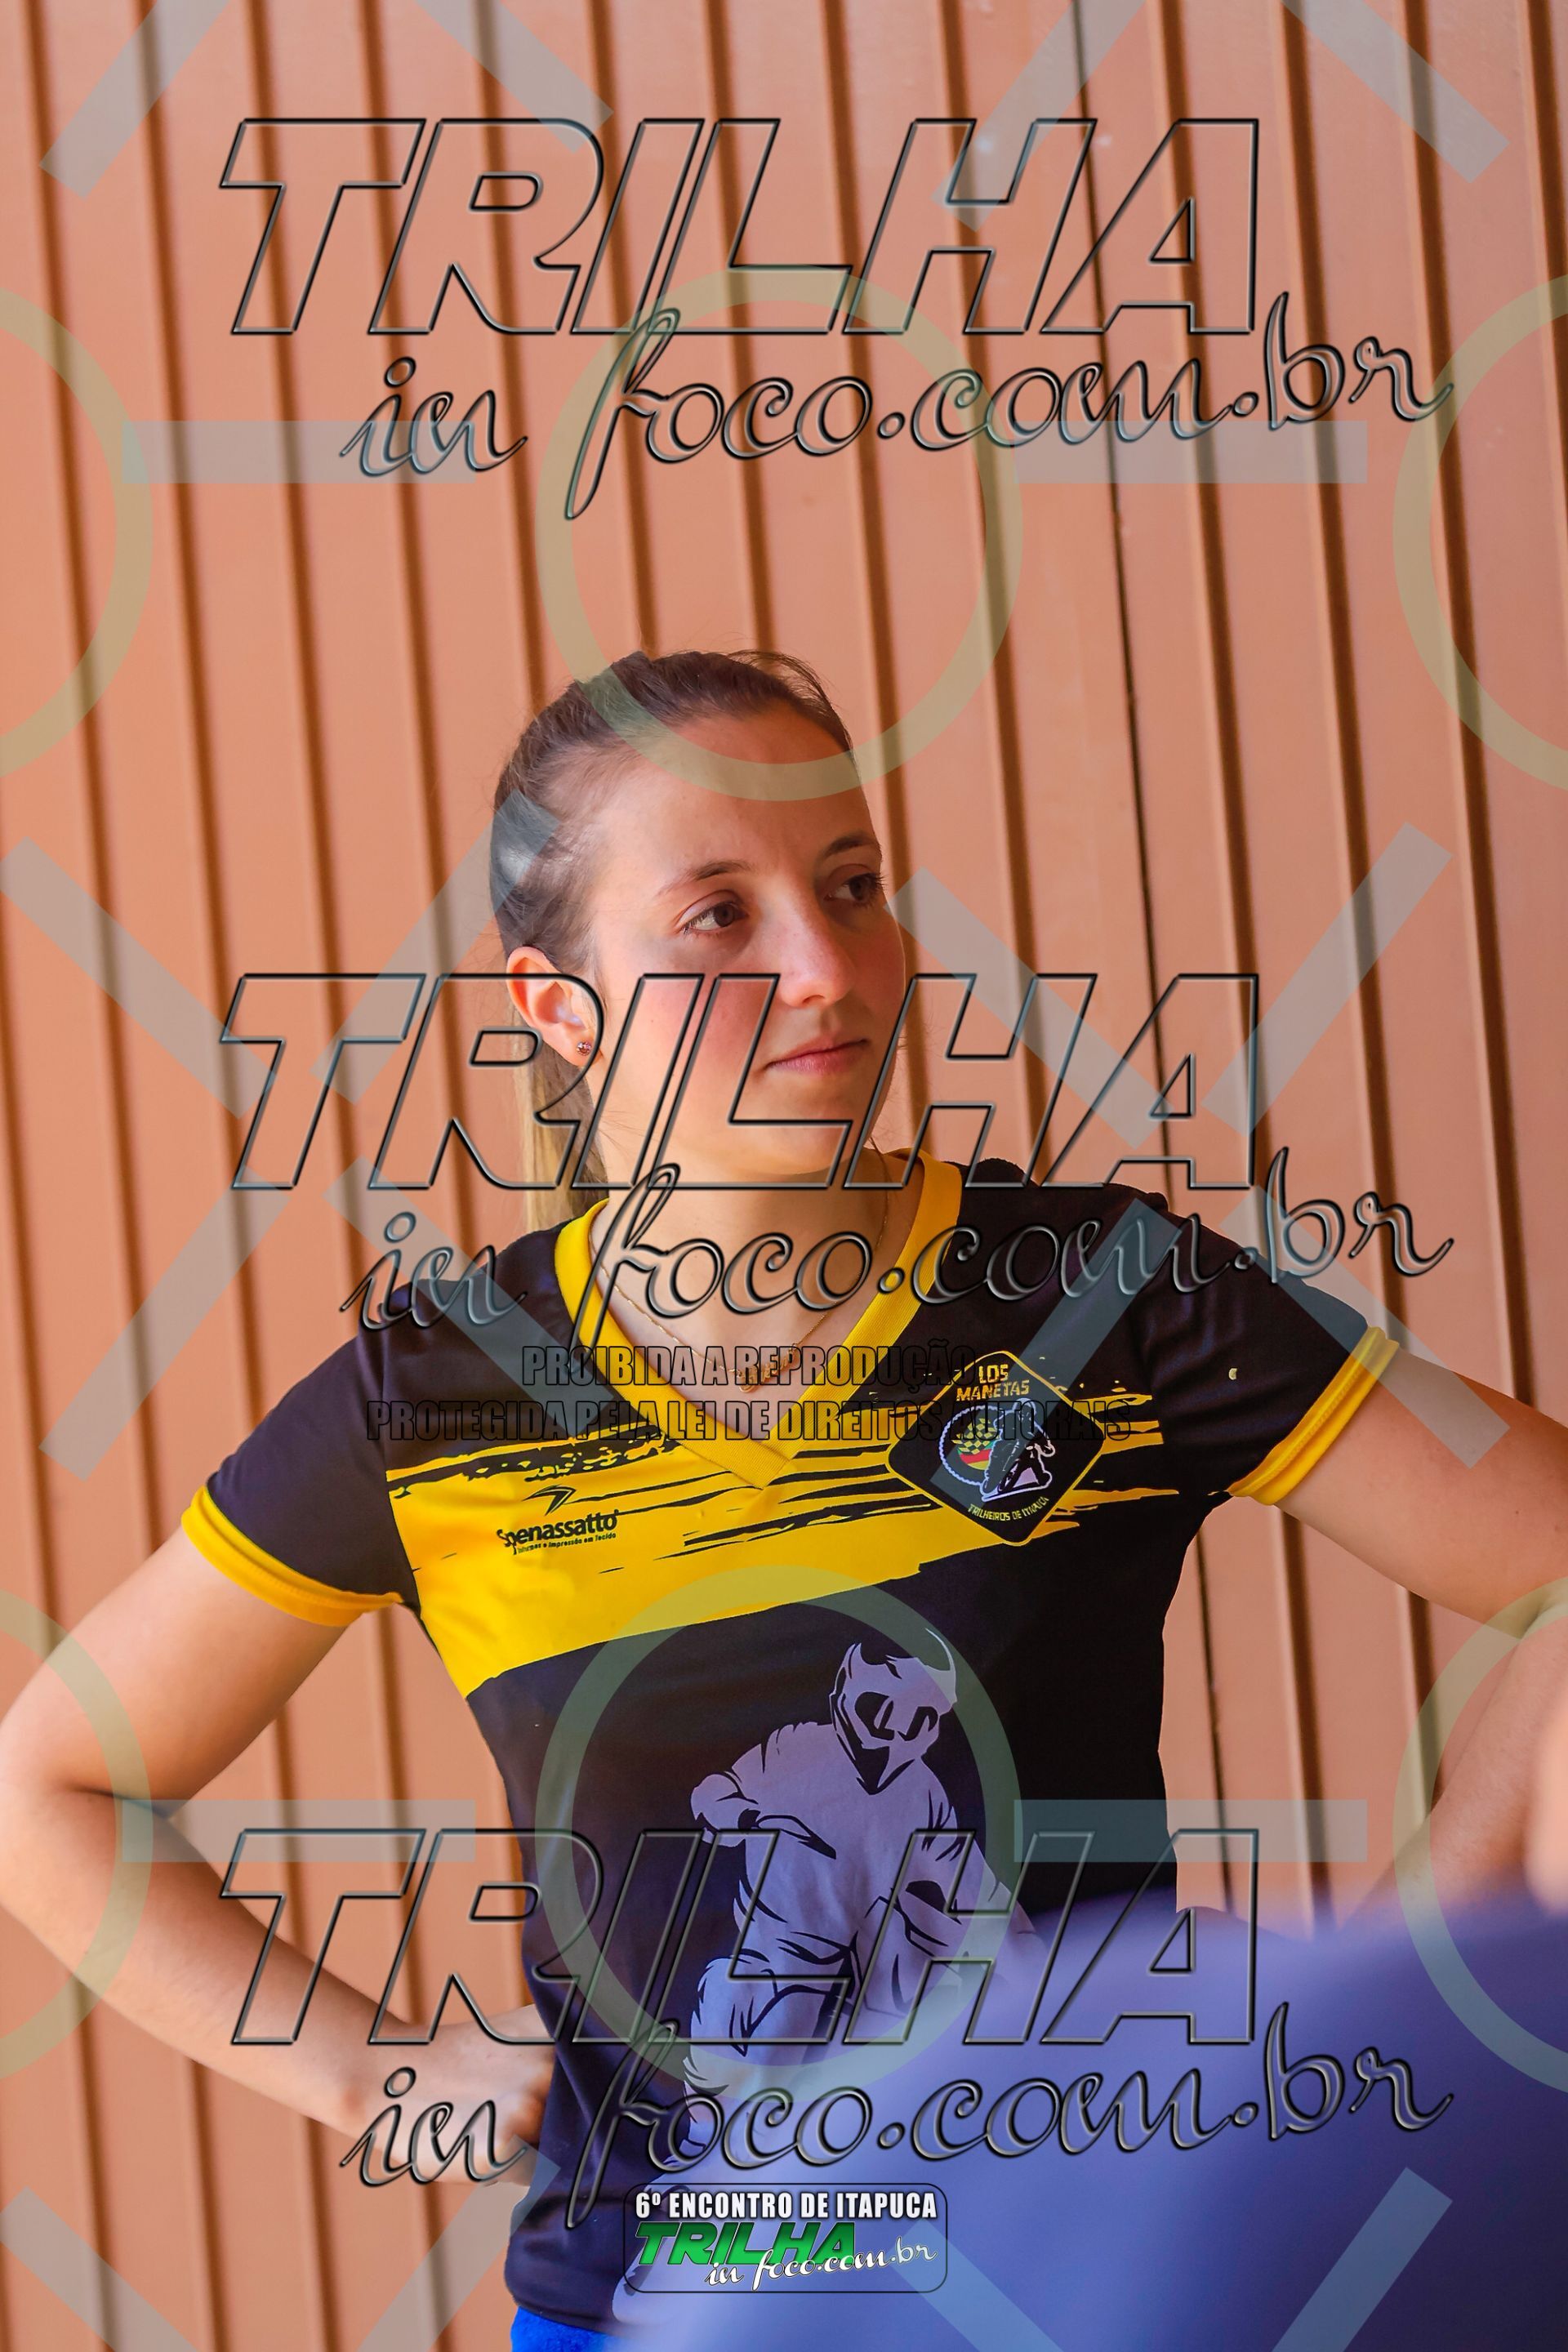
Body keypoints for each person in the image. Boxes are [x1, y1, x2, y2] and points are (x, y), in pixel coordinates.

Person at [1, 648, 1566, 2350]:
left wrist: (1395, 1982)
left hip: (1075, 2291)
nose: (828, 970)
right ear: (560, 1006)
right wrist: (375, 2071)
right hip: (646, 2312)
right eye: (719, 916)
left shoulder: (1110, 1297)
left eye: (851, 885)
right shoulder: (437, 1396)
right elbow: (51, 1789)